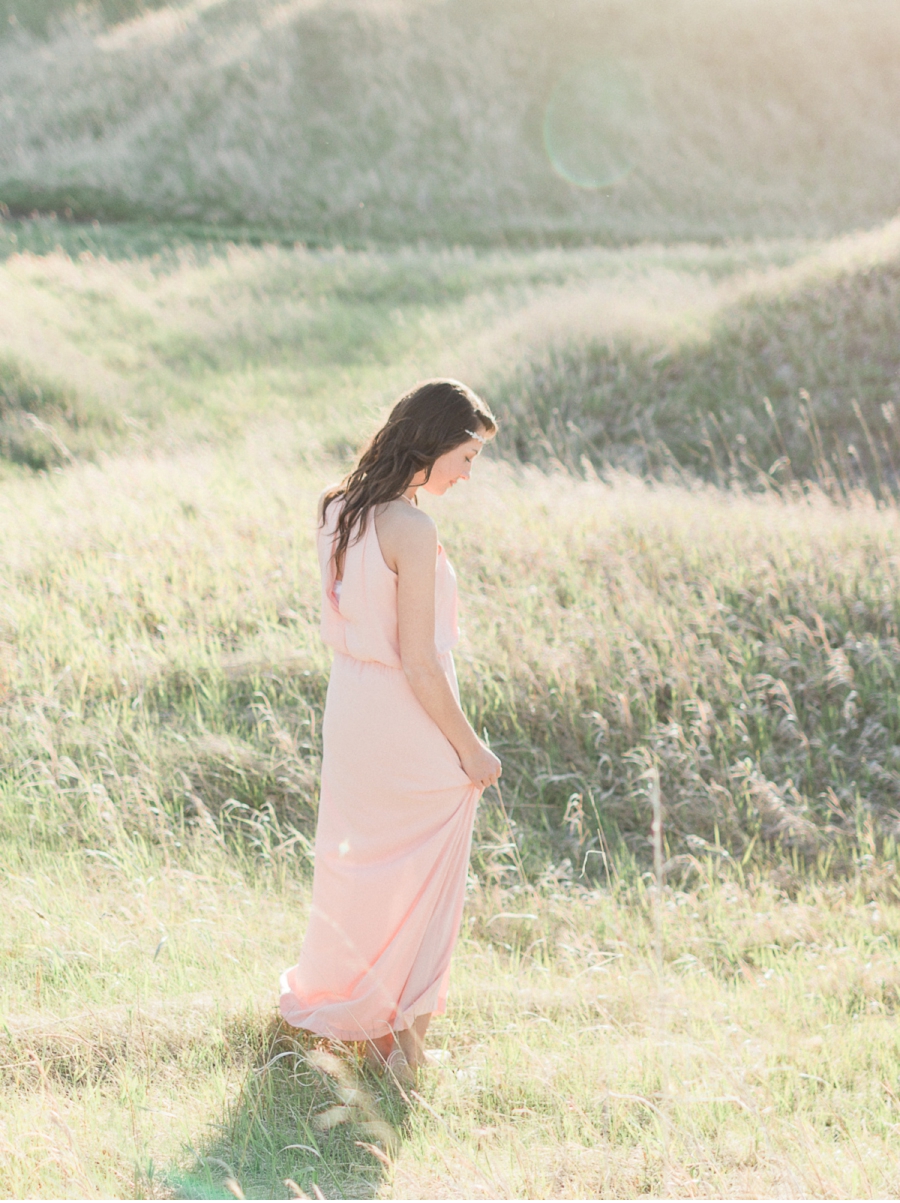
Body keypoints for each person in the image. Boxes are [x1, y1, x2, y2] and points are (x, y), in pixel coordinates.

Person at [279, 379, 502, 1081]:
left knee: (358, 869)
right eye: (465, 457)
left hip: (352, 707)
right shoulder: (413, 527)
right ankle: (404, 1049)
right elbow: (421, 662)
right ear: (432, 444)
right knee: (428, 879)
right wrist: (472, 748)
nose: (468, 474)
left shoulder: (337, 506)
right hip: (408, 717)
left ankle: (361, 1022)